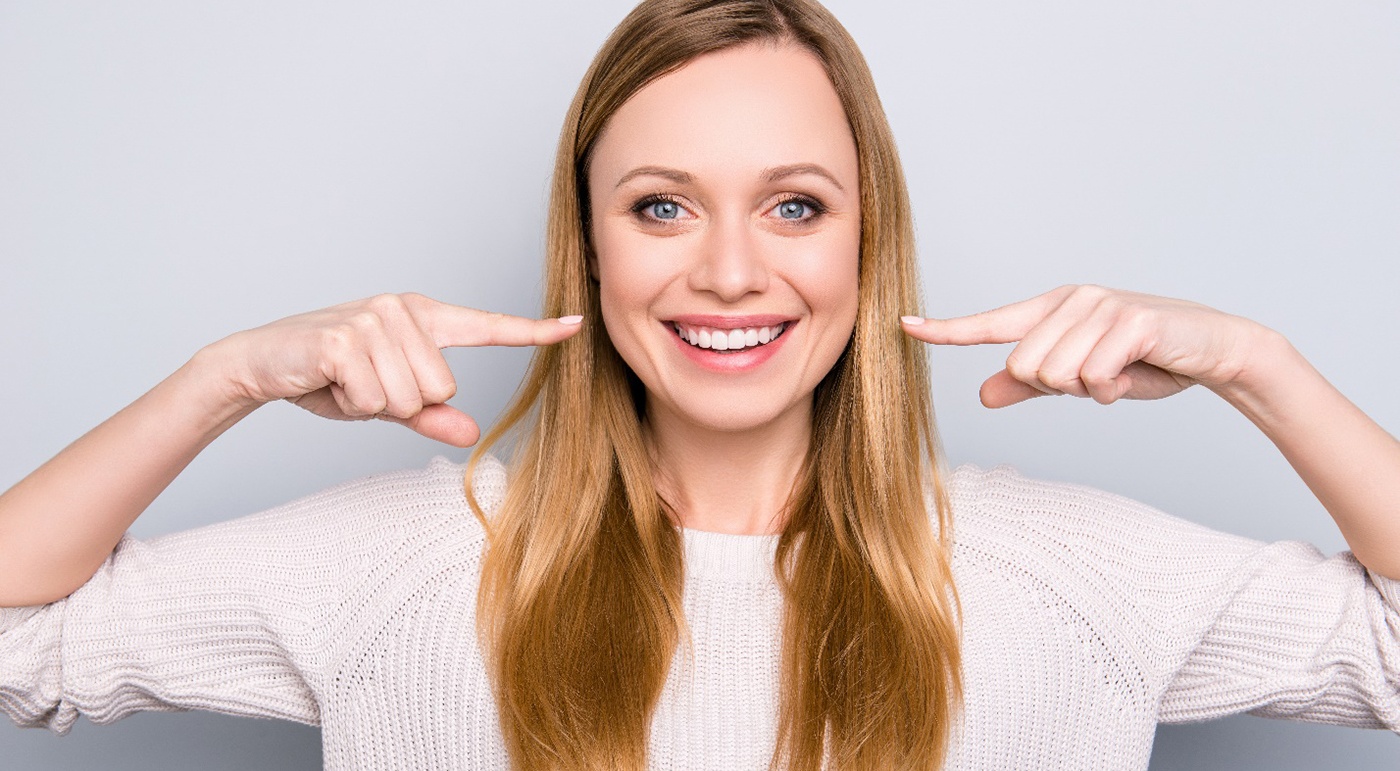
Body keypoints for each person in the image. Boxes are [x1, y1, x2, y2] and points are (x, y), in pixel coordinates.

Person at [2, 0, 1397, 769]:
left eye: (794, 207)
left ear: (867, 239)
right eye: (662, 208)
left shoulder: (1062, 574)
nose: (730, 272)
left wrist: (1256, 368)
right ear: (591, 246)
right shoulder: (411, 561)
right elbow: (22, 649)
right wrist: (222, 378)